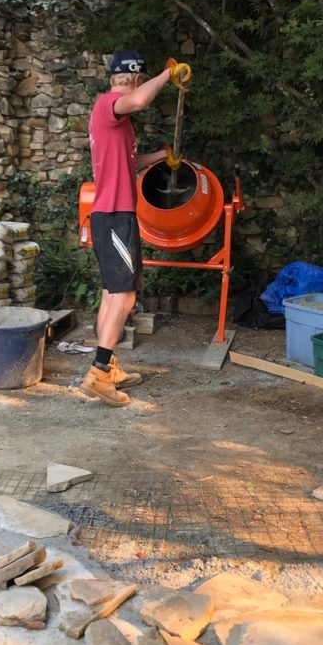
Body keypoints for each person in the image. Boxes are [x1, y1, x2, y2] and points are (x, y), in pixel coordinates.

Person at [80, 50, 192, 407]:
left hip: (110, 215)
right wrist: (168, 74)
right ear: (138, 79)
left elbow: (129, 162)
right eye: (144, 81)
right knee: (125, 296)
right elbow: (141, 100)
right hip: (114, 213)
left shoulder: (118, 120)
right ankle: (98, 375)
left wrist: (162, 157)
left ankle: (108, 365)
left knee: (111, 293)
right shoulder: (108, 105)